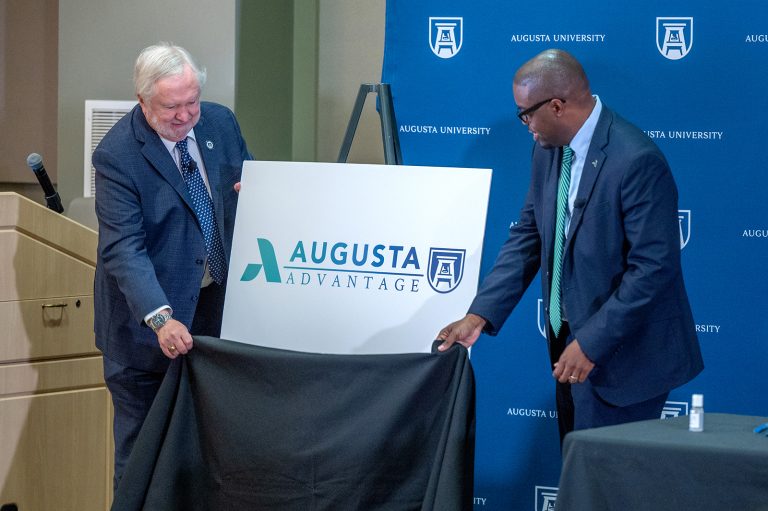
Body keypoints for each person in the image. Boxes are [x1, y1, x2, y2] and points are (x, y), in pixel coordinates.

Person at [437, 49, 703, 443]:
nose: (525, 124)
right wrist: (479, 315)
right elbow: (529, 234)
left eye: (525, 113)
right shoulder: (548, 150)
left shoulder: (636, 160)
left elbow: (654, 268)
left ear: (558, 106)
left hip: (624, 359)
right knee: (581, 477)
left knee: (611, 490)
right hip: (570, 348)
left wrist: (592, 343)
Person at [93, 42, 252, 490]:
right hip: (147, 331)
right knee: (143, 461)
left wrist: (255, 190)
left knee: (210, 457)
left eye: (191, 103)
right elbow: (124, 249)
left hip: (212, 319)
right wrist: (161, 318)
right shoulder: (117, 155)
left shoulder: (219, 121)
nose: (185, 117)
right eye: (171, 107)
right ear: (142, 100)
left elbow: (247, 181)